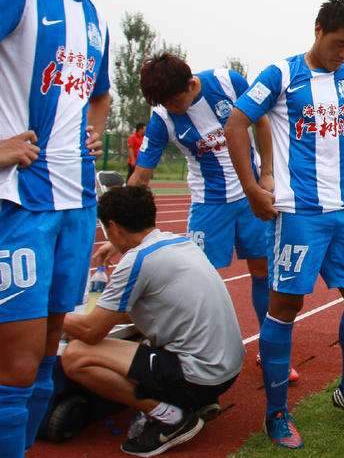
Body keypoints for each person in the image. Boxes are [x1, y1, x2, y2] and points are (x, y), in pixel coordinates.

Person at [0, 0, 150, 454]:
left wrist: (91, 130)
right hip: (19, 203)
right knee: (12, 371)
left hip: (75, 203)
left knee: (43, 361)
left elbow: (101, 94)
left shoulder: (94, 19)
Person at [225, 0, 344, 449]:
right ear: (318, 29)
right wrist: (252, 189)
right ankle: (275, 413)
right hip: (297, 214)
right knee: (285, 308)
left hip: (343, 211)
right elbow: (237, 123)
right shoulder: (281, 74)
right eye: (339, 44)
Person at [128, 53, 294, 381]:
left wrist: (267, 174)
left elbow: (261, 121)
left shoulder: (227, 82)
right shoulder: (162, 117)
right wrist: (119, 221)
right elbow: (141, 175)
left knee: (263, 271)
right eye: (164, 103)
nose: (171, 108)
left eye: (175, 100)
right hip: (208, 205)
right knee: (196, 280)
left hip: (251, 199)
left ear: (191, 84)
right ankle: (199, 353)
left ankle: (270, 349)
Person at [63, 186, 244, 457]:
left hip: (200, 376)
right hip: (226, 370)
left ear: (112, 227)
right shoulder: (178, 242)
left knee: (75, 355)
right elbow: (146, 310)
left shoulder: (137, 260)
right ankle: (194, 401)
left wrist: (47, 312)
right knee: (138, 333)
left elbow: (90, 332)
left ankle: (171, 417)